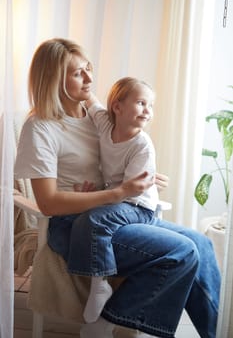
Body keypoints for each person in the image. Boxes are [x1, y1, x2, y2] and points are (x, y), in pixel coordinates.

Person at [14, 38, 221, 338]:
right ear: (54, 80)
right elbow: (47, 203)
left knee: (201, 244)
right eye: (77, 73)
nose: (90, 78)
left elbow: (119, 148)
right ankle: (107, 323)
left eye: (89, 69)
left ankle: (214, 333)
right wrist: (120, 192)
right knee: (182, 251)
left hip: (112, 212)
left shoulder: (93, 115)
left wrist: (140, 177)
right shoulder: (40, 127)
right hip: (75, 226)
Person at [75, 77, 159, 323]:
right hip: (119, 198)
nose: (147, 110)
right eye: (141, 103)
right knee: (87, 218)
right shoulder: (104, 124)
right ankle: (98, 283)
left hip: (139, 206)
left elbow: (131, 190)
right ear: (118, 107)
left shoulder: (142, 145)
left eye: (150, 105)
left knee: (94, 219)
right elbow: (90, 100)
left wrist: (98, 197)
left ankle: (100, 282)